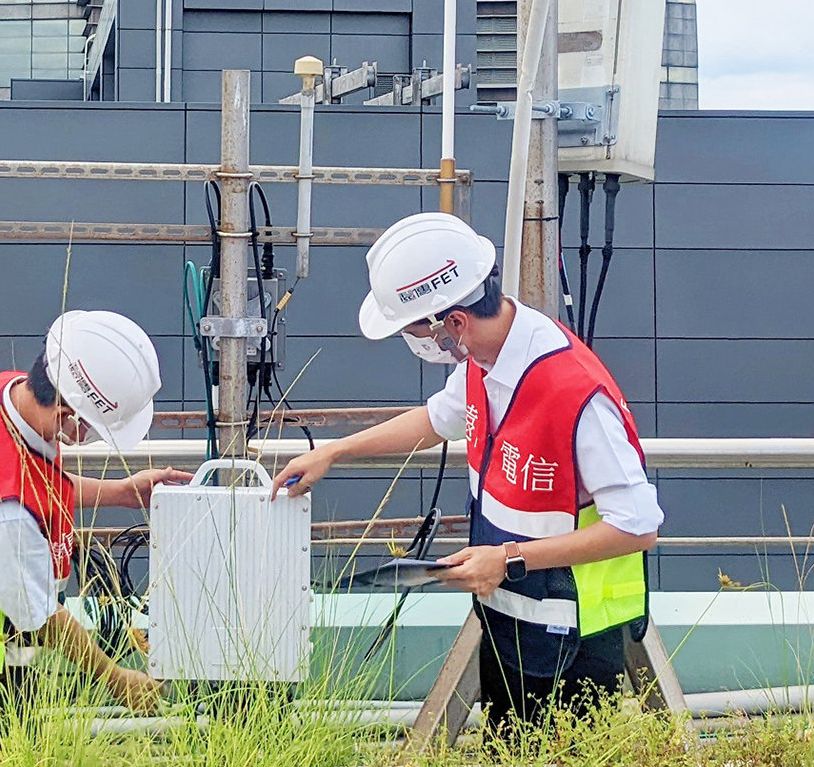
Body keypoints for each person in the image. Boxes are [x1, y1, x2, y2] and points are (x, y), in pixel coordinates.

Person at [271, 212, 662, 733]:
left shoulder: (574, 393)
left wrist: (508, 559)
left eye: (414, 330)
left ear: (453, 323)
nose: (413, 342)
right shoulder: (485, 362)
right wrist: (335, 452)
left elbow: (638, 526)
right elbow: (436, 419)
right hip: (507, 621)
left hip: (573, 647)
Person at [0, 310, 188, 766]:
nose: (88, 442)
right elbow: (38, 612)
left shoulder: (2, 394)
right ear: (67, 415)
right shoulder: (0, 517)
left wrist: (121, 493)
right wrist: (116, 678)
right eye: (91, 432)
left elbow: (35, 483)